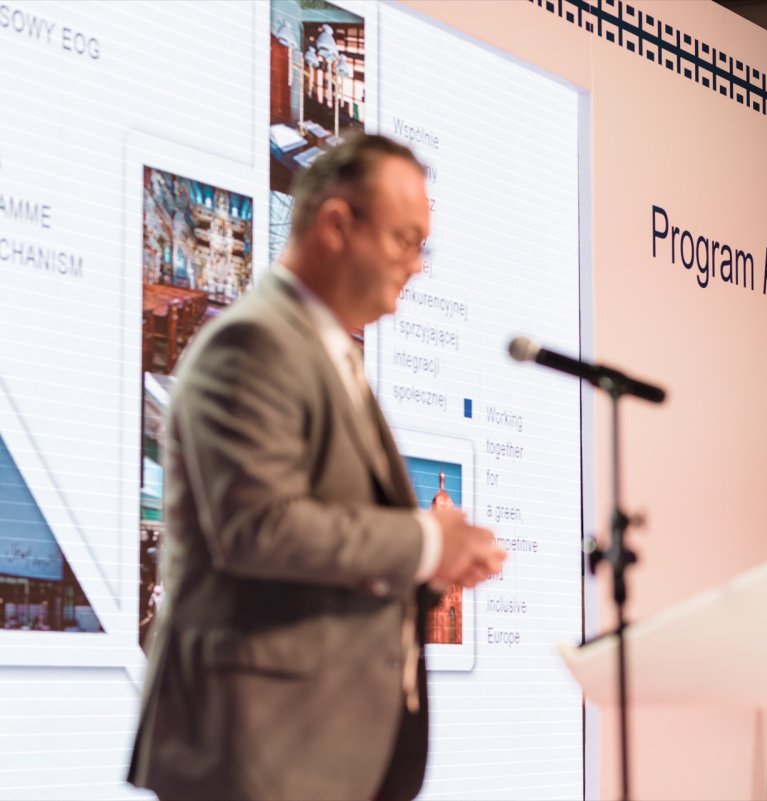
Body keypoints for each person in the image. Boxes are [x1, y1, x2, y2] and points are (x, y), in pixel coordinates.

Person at [127, 134, 506, 801]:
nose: (417, 265)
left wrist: (432, 567)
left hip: (319, 753)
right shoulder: (253, 343)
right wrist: (424, 541)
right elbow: (259, 527)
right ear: (336, 224)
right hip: (257, 754)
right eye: (406, 239)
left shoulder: (330, 353)